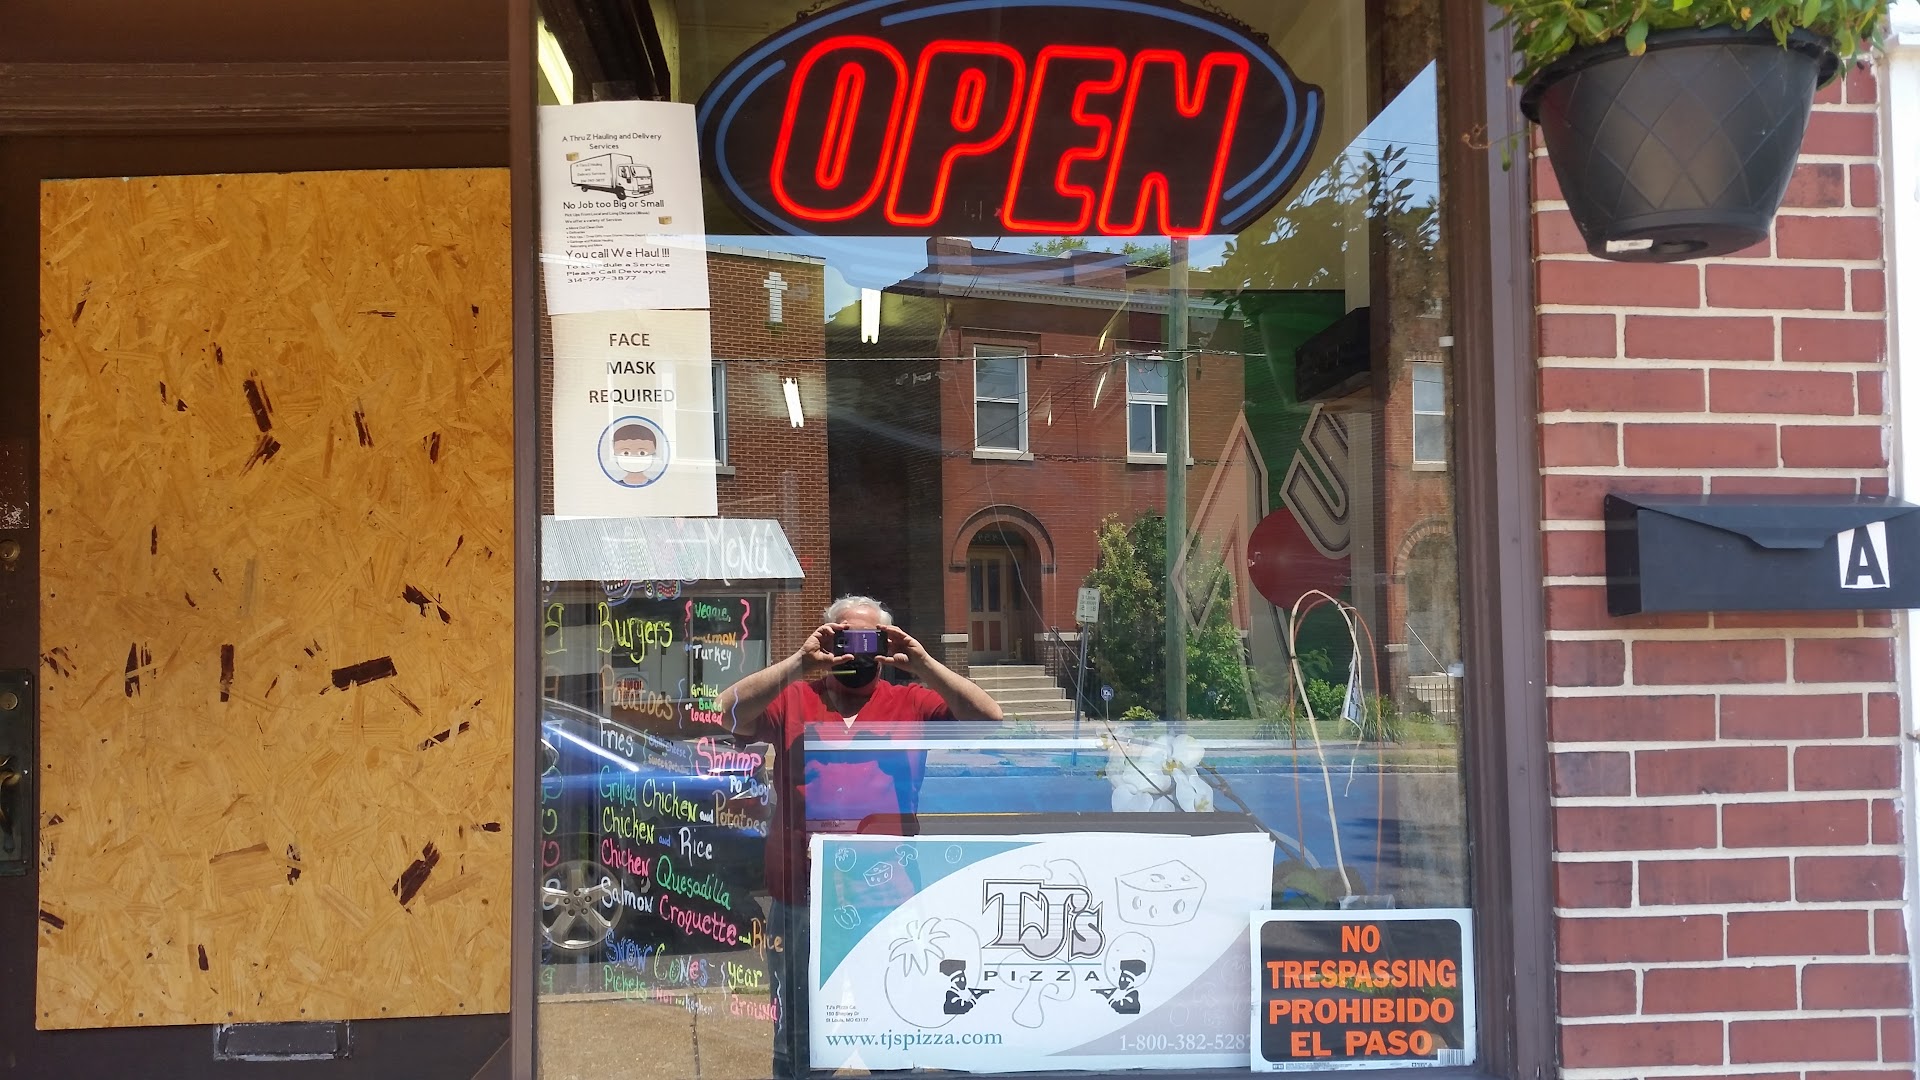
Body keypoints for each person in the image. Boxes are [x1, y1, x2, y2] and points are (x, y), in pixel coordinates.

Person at [717, 595, 1001, 1074]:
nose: (856, 649)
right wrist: (798, 663)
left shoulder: (909, 702)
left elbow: (990, 721)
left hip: (887, 900)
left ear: (886, 645)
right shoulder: (794, 698)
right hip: (801, 898)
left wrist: (923, 665)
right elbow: (722, 711)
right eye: (844, 637)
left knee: (890, 1035)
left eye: (870, 638)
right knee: (800, 1039)